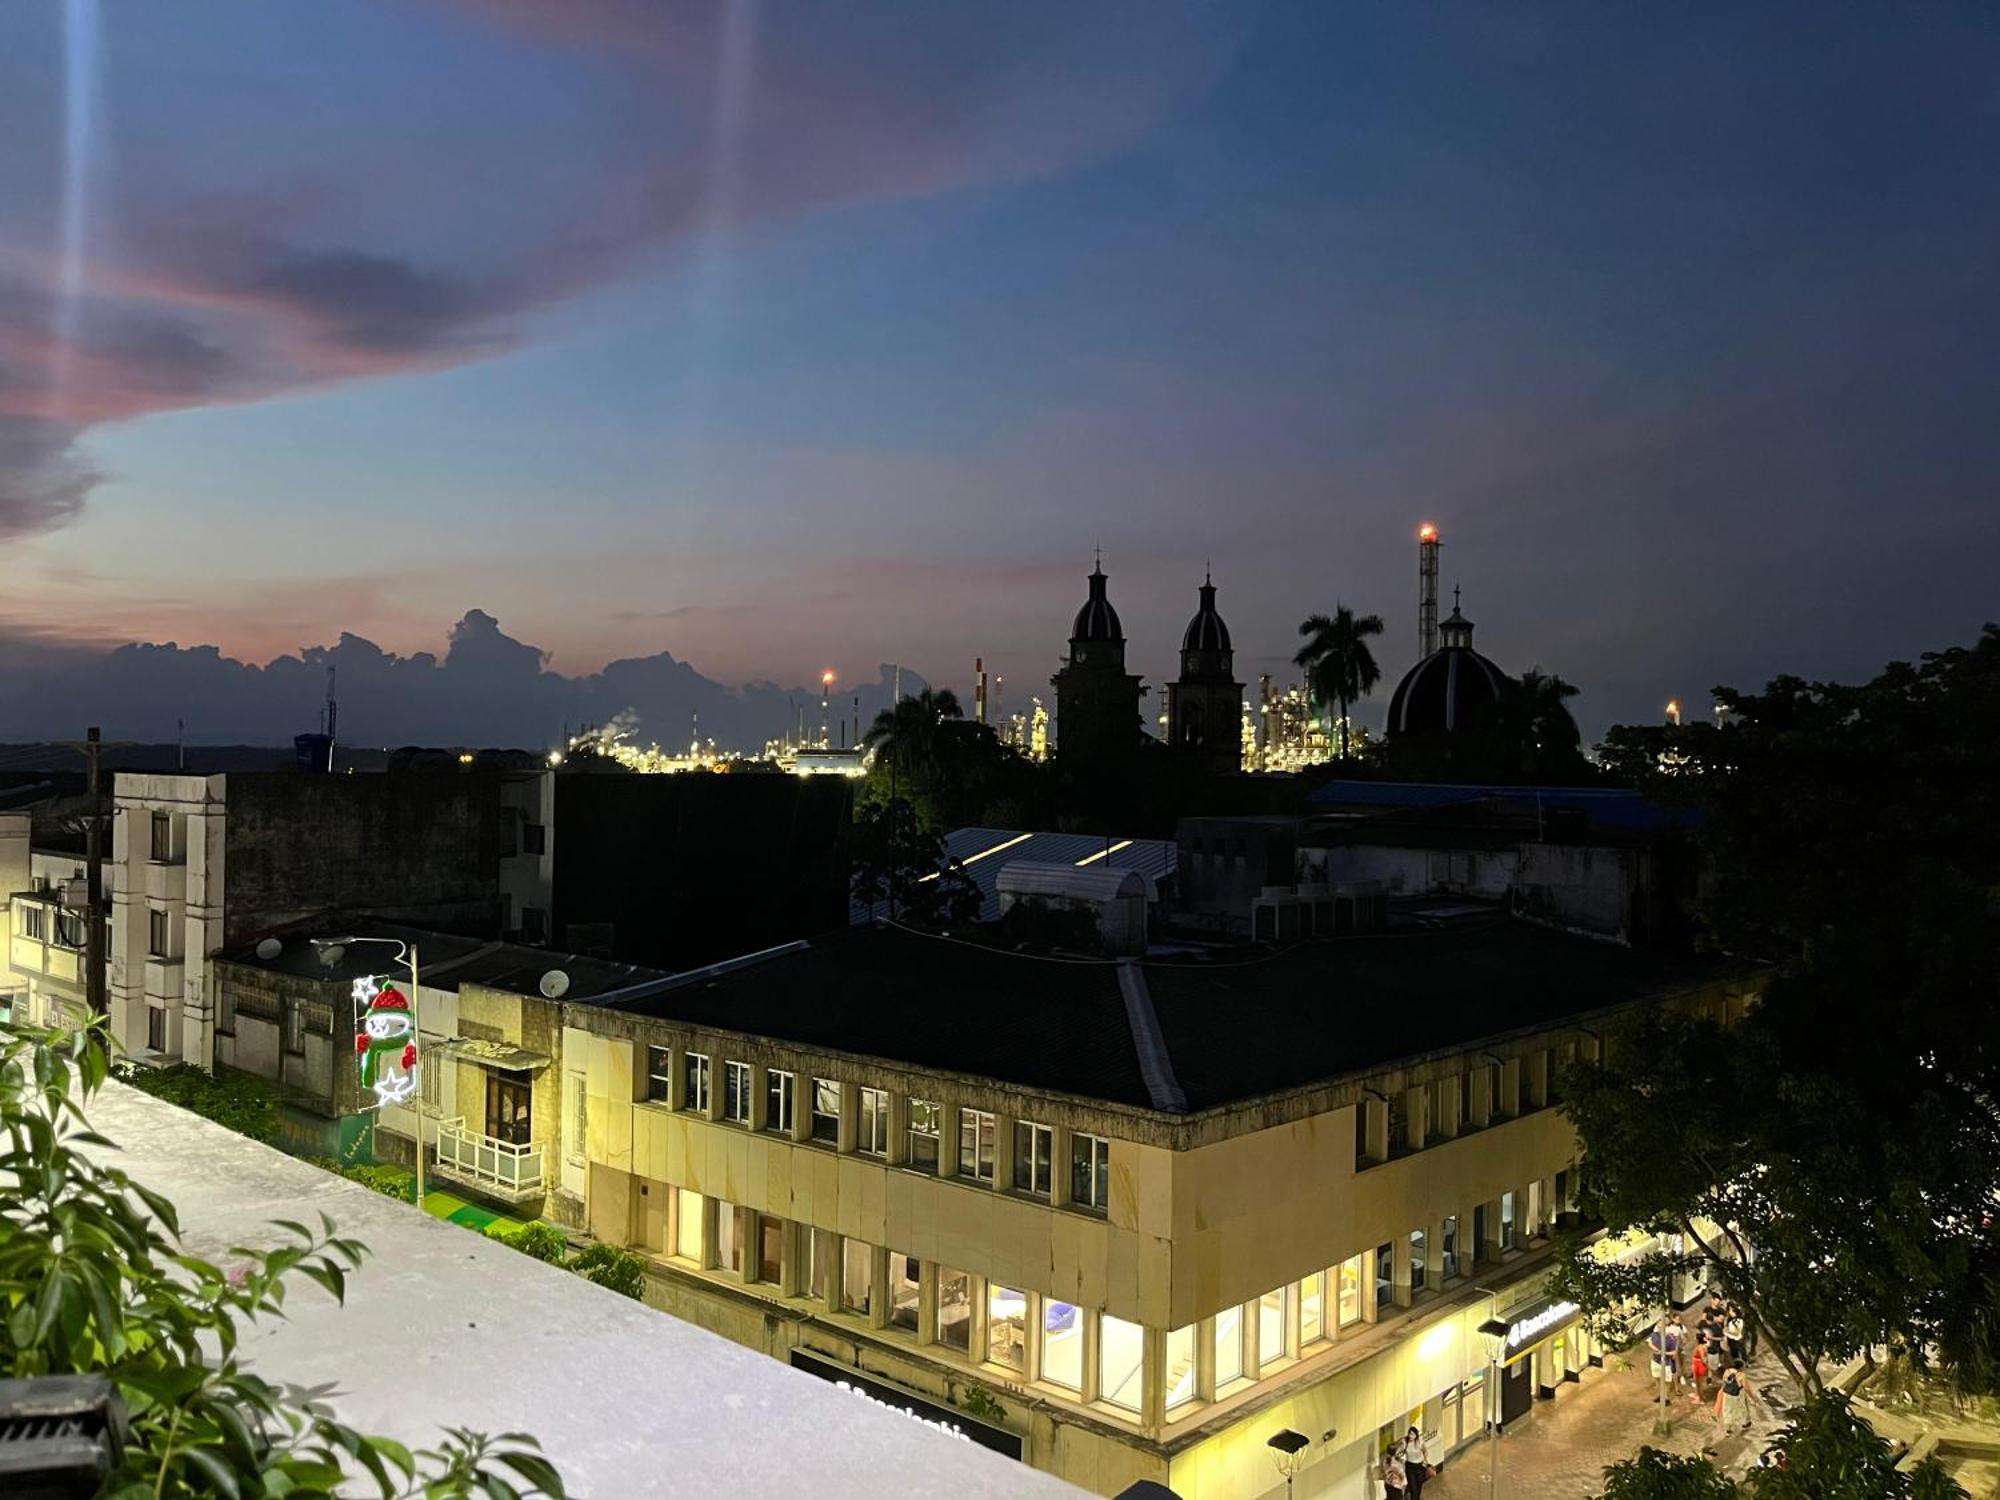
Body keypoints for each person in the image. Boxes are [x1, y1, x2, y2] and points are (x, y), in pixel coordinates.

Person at [1399, 1427, 1436, 1500]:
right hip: (1410, 1466)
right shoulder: (1405, 1442)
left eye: (1412, 1434)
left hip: (1420, 1466)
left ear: (1416, 1435)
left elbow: (1425, 1451)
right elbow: (1399, 1449)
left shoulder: (1420, 1441)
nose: (1410, 1436)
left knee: (1419, 1485)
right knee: (1413, 1488)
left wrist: (1425, 1460)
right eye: (1409, 1433)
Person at [1716, 1363, 1752, 1434]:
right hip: (1738, 1396)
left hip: (1727, 1395)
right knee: (1743, 1409)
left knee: (1728, 1411)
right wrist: (1753, 1398)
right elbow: (1747, 1388)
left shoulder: (1727, 1371)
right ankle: (1746, 1423)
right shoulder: (1741, 1375)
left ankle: (1728, 1430)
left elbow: (1724, 1382)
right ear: (1741, 1367)